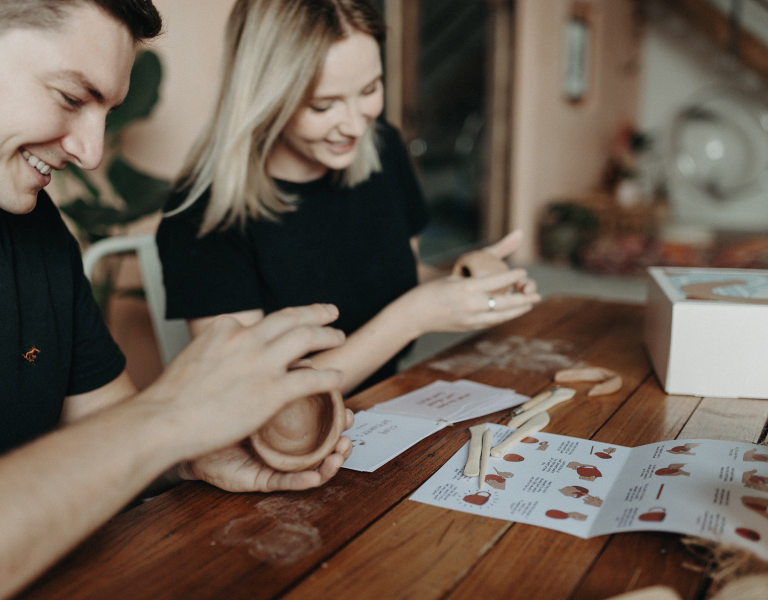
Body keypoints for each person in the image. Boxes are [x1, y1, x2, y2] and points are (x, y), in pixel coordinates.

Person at [0, 1, 353, 598]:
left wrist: (190, 453)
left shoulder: (31, 228)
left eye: (106, 111)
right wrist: (167, 420)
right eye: (70, 97)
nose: (90, 151)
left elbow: (104, 421)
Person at [157, 0, 541, 396]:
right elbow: (250, 394)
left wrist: (464, 282)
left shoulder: (383, 148)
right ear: (264, 96)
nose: (356, 126)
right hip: (292, 438)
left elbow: (398, 277)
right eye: (324, 105)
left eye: (370, 89)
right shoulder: (203, 212)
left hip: (389, 397)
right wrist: (413, 317)